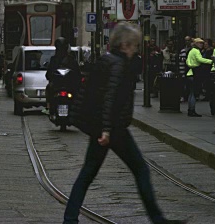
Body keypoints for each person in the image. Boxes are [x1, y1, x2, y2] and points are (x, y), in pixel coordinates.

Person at [63, 23, 185, 224]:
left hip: (104, 127)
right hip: (114, 129)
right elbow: (110, 99)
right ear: (125, 45)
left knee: (87, 174)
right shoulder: (119, 66)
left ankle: (69, 219)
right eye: (135, 45)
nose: (136, 49)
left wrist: (102, 128)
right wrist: (107, 130)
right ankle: (158, 219)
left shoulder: (105, 61)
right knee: (140, 170)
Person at [44, 37, 80, 115]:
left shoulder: (54, 59)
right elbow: (77, 74)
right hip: (65, 86)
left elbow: (48, 74)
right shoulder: (71, 59)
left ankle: (48, 107)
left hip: (62, 86)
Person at [185, 38, 213, 117]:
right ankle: (192, 110)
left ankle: (190, 109)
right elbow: (199, 59)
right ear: (196, 44)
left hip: (190, 73)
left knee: (191, 93)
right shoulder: (196, 51)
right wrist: (211, 61)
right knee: (193, 93)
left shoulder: (191, 51)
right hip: (194, 73)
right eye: (200, 43)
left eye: (202, 43)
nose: (202, 45)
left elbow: (188, 61)